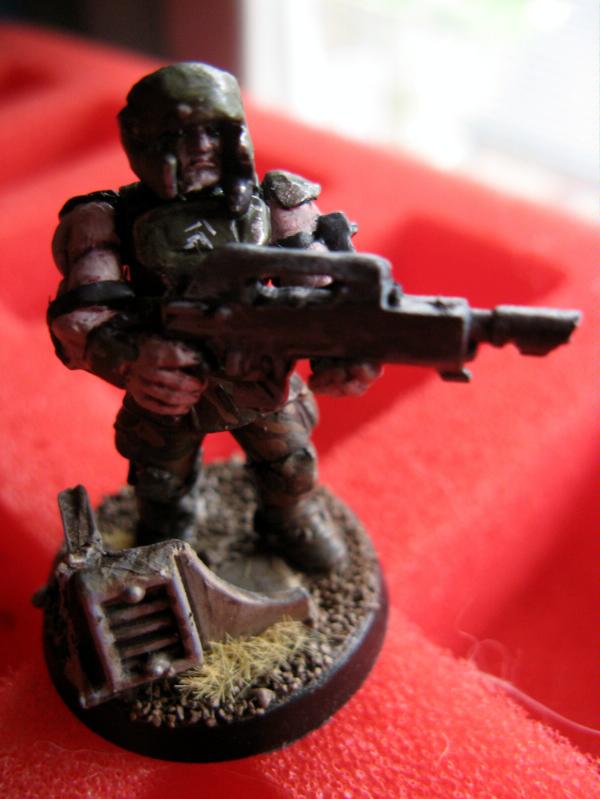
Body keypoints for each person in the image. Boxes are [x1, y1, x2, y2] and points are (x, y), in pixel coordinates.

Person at [48, 62, 380, 573]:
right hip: (168, 384)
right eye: (182, 133)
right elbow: (81, 319)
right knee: (161, 486)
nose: (202, 147)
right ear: (145, 138)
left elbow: (324, 288)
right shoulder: (105, 219)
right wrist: (134, 358)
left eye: (215, 131)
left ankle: (288, 523)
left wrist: (347, 347)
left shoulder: (279, 205)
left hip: (259, 377)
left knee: (291, 468)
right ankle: (167, 544)